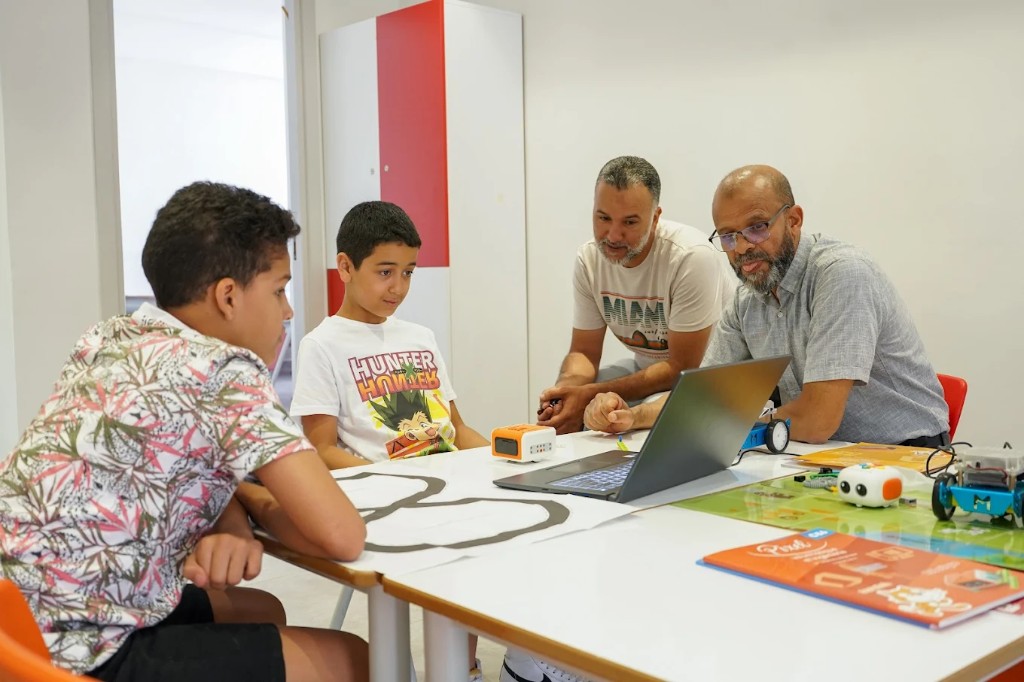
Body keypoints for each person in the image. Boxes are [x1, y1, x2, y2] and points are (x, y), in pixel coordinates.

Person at [0, 182, 369, 682]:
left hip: (18, 619)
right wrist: (257, 501)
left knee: (258, 609)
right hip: (80, 653)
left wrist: (232, 508)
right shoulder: (225, 372)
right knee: (355, 657)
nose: (287, 311)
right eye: (280, 289)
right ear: (228, 295)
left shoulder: (110, 336)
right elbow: (341, 535)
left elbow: (171, 466)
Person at [583, 164, 950, 447]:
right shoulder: (747, 300)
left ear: (793, 220)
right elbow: (702, 398)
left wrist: (721, 422)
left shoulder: (841, 275)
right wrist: (633, 416)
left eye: (757, 227)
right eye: (727, 236)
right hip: (816, 460)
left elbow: (816, 420)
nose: (741, 247)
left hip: (908, 459)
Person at [289, 199, 488, 679]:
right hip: (386, 496)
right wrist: (392, 476)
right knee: (451, 552)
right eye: (384, 272)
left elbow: (456, 429)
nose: (398, 287)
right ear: (345, 267)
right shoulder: (322, 345)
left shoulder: (420, 336)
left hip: (446, 483)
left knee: (491, 543)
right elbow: (323, 449)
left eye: (408, 272)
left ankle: (463, 668)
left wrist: (505, 457)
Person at [536, 155, 735, 434]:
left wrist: (591, 396)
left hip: (707, 381)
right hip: (645, 372)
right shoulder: (589, 259)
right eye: (603, 218)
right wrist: (565, 395)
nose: (613, 235)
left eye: (629, 222)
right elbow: (583, 352)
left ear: (655, 219)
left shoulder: (691, 257)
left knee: (620, 416)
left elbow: (682, 367)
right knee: (576, 412)